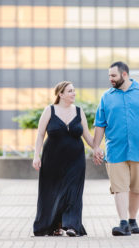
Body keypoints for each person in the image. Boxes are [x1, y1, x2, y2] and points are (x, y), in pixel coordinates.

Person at [93, 61, 139, 236]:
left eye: (113, 76)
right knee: (120, 187)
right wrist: (96, 147)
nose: (110, 79)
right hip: (116, 150)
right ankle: (123, 222)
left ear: (124, 74)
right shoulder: (106, 97)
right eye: (109, 76)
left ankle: (132, 220)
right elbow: (100, 125)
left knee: (137, 188)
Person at [32, 81, 93, 237]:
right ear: (60, 94)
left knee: (74, 191)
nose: (74, 93)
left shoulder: (79, 112)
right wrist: (36, 156)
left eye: (74, 90)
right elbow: (40, 134)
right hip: (52, 159)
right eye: (70, 91)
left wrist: (98, 148)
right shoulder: (49, 110)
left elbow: (87, 136)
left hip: (76, 160)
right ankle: (54, 225)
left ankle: (72, 225)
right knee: (52, 192)